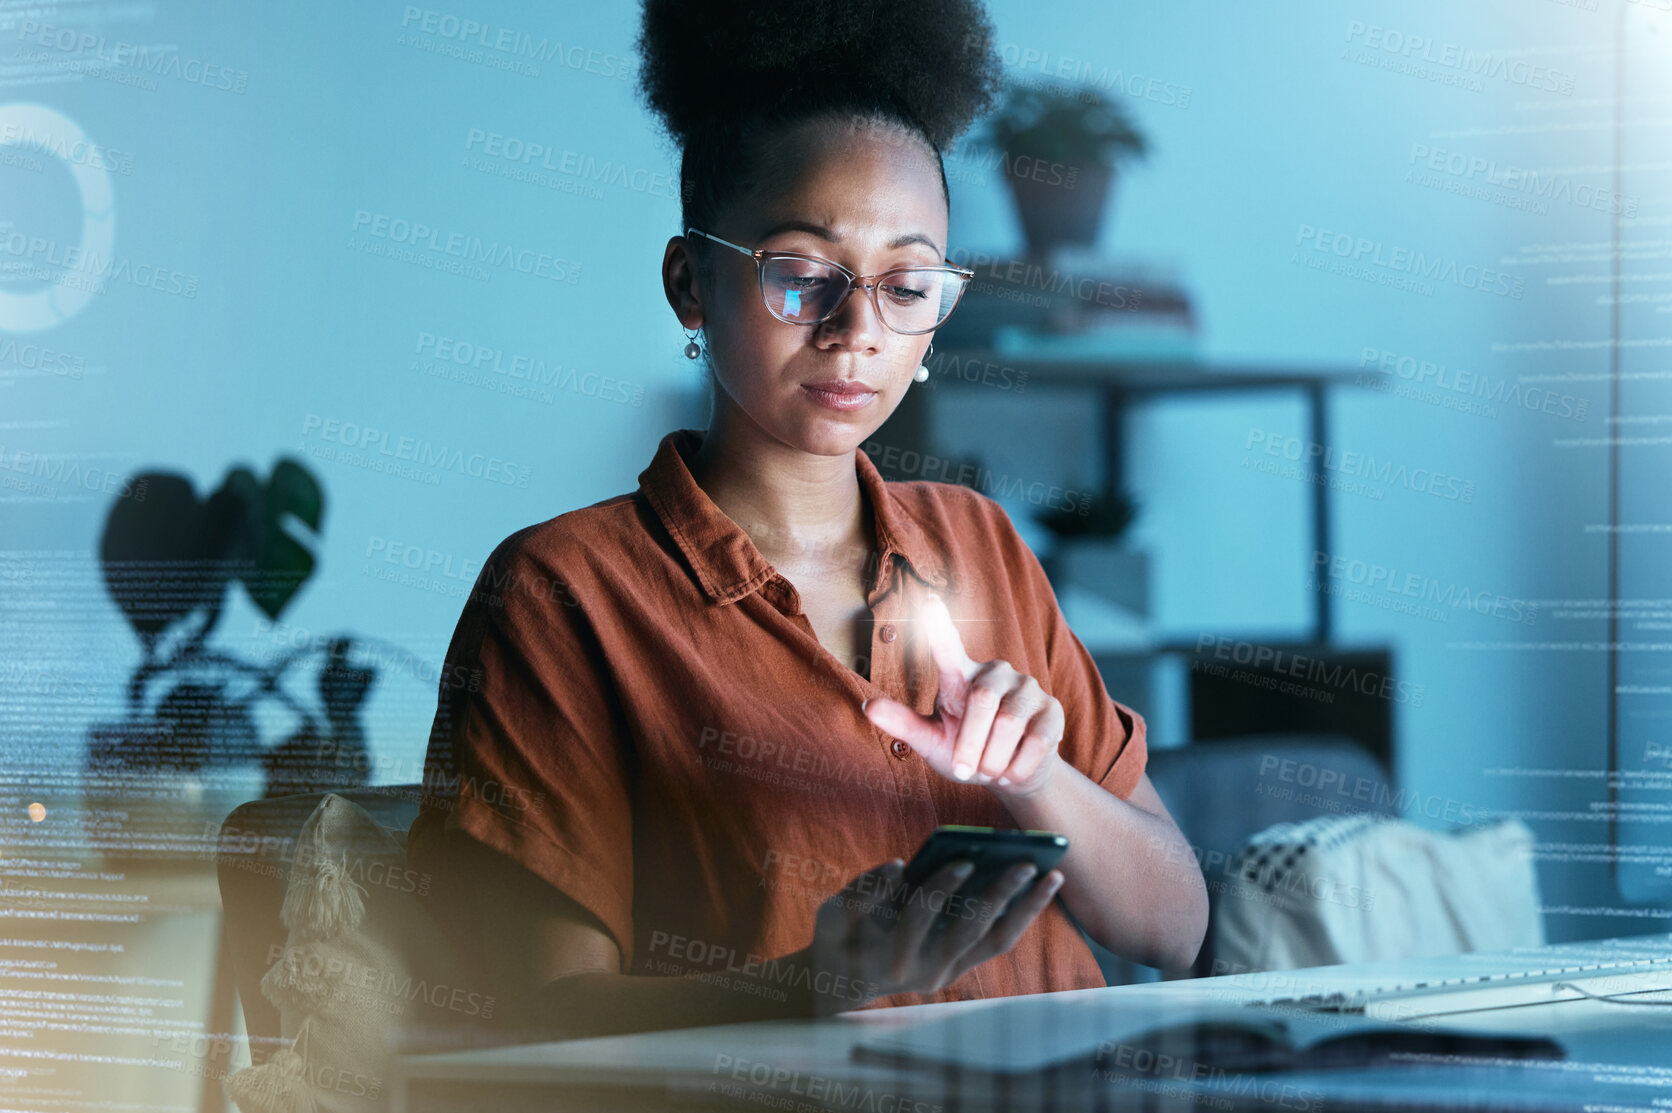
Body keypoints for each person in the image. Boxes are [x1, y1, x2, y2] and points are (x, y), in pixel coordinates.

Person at [406, 0, 1207, 1041]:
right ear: (689, 285)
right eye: (799, 275)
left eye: (907, 283)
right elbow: (528, 1020)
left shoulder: (978, 544)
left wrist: (1033, 777)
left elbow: (1178, 926)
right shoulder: (566, 595)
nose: (858, 329)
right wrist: (812, 984)